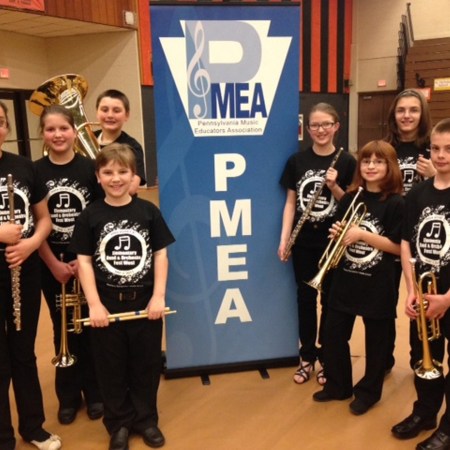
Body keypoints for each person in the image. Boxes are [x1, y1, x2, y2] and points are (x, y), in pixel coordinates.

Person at [69, 143, 175, 450]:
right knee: (110, 369)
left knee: (146, 365)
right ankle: (118, 424)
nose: (115, 178)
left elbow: (160, 255)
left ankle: (146, 420)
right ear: (98, 177)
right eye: (108, 172)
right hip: (107, 306)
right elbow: (84, 262)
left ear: (133, 176)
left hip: (145, 303)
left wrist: (158, 296)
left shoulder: (148, 212)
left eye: (122, 172)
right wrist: (94, 304)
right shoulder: (89, 216)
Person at [312, 140, 404, 416]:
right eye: (366, 161)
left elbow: (398, 247)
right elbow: (342, 234)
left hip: (377, 283)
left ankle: (368, 393)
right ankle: (338, 385)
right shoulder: (352, 198)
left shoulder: (397, 203)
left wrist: (362, 235)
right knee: (333, 334)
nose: (371, 166)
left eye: (378, 162)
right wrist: (338, 234)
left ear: (390, 167)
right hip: (345, 279)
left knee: (376, 344)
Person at [34, 105, 104, 426]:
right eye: (51, 129)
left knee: (90, 326)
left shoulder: (91, 168)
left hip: (88, 262)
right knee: (61, 326)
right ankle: (68, 396)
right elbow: (34, 223)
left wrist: (85, 259)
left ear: (74, 132)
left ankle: (95, 392)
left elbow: (102, 216)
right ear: (43, 134)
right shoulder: (34, 171)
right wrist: (52, 263)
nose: (58, 134)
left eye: (64, 128)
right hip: (51, 263)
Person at [278, 103, 356, 385]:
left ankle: (326, 357)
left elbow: (351, 206)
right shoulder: (297, 161)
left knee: (330, 301)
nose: (321, 130)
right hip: (303, 243)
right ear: (307, 129)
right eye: (315, 125)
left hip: (333, 243)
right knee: (305, 299)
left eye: (326, 124)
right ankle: (307, 356)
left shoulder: (347, 162)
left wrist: (334, 186)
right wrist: (285, 239)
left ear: (336, 126)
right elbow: (290, 203)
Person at [0, 101, 61, 449]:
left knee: (24, 352)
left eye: (0, 122)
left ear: (7, 128)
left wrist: (30, 245)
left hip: (24, 269)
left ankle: (33, 427)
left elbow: (44, 219)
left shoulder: (24, 167)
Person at [391, 118, 450, 449]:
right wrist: (412, 290)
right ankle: (425, 412)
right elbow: (406, 244)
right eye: (436, 149)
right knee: (425, 359)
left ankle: (448, 428)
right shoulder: (417, 193)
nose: (441, 156)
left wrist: (447, 299)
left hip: (448, 297)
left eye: (449, 149)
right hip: (426, 295)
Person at [384, 88, 439, 373]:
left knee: (419, 301)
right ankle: (383, 360)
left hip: (422, 240)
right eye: (401, 110)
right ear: (393, 114)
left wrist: (434, 174)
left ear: (422, 114)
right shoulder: (385, 148)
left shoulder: (435, 148)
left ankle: (421, 359)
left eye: (413, 110)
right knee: (383, 306)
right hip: (387, 237)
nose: (407, 115)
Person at [94, 89, 147, 195]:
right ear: (97, 113)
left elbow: (131, 189)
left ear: (126, 115)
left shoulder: (133, 147)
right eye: (104, 110)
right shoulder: (87, 138)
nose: (110, 115)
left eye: (116, 111)